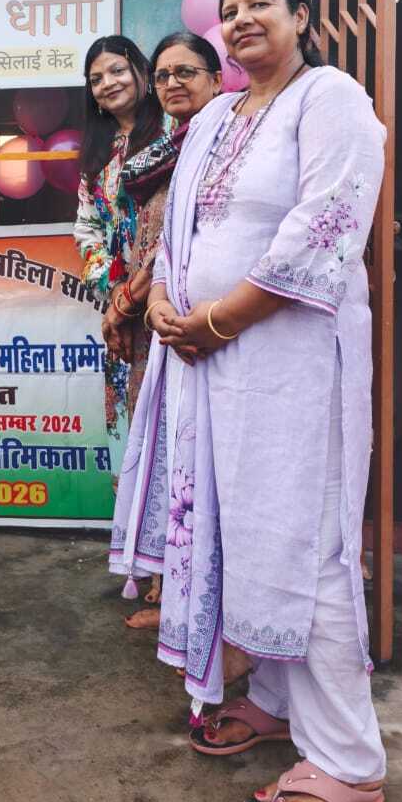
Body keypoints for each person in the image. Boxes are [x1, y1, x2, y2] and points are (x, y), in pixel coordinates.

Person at [136, 0, 387, 802]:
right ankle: (278, 702)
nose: (242, 20)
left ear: (302, 16)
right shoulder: (215, 116)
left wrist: (219, 319)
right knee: (245, 536)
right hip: (213, 366)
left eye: (262, 5)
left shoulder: (331, 99)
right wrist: (163, 298)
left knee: (305, 544)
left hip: (291, 363)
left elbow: (325, 228)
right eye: (231, 9)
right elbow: (180, 229)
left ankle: (349, 762)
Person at [103, 31, 221, 629]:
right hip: (154, 314)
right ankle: (166, 586)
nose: (174, 83)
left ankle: (190, 598)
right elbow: (137, 233)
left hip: (197, 319)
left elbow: (177, 237)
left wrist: (128, 300)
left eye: (187, 73)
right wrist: (127, 302)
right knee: (162, 452)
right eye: (166, 75)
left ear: (216, 80)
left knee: (196, 458)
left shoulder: (218, 143)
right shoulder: (164, 149)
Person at [74, 36, 162, 450]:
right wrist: (114, 293)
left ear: (141, 71)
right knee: (131, 426)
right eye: (96, 79)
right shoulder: (98, 151)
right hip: (122, 307)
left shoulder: (174, 130)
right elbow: (87, 226)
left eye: (117, 70)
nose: (107, 83)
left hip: (171, 295)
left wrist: (140, 289)